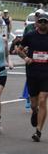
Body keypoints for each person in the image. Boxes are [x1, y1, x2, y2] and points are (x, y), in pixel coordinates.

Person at [17, 10, 48, 142]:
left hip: (46, 74)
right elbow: (19, 49)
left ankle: (38, 131)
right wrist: (25, 58)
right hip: (32, 73)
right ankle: (35, 112)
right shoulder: (30, 36)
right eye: (40, 21)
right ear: (37, 23)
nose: (42, 24)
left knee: (42, 100)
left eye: (45, 22)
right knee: (34, 103)